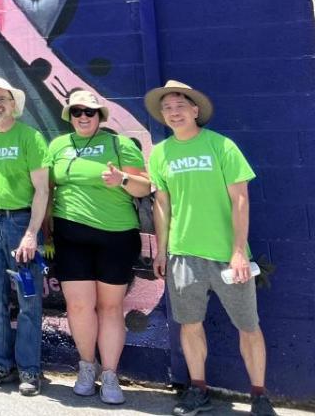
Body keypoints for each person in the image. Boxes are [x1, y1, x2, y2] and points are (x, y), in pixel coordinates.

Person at [146, 81, 276, 416]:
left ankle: (259, 396)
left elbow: (241, 199)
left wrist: (237, 251)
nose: (173, 112)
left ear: (194, 110)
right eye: (167, 108)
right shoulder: (160, 153)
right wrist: (162, 250)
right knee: (190, 325)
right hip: (183, 256)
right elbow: (161, 204)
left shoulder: (221, 146)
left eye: (179, 106)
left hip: (227, 257)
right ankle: (198, 389)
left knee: (249, 326)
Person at [47, 89, 151, 404]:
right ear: (69, 116)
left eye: (89, 112)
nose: (83, 117)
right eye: (77, 111)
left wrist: (120, 179)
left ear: (100, 116)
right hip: (70, 236)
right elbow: (46, 189)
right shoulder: (58, 145)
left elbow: (145, 186)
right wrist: (45, 232)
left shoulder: (119, 145)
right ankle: (86, 367)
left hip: (116, 237)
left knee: (109, 307)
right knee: (78, 307)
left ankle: (109, 374)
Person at [0, 76, 50, 395]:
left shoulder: (30, 137)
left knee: (28, 299)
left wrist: (31, 234)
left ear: (14, 104)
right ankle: (0, 365)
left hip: (21, 225)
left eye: (2, 99)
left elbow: (42, 190)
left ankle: (30, 371)